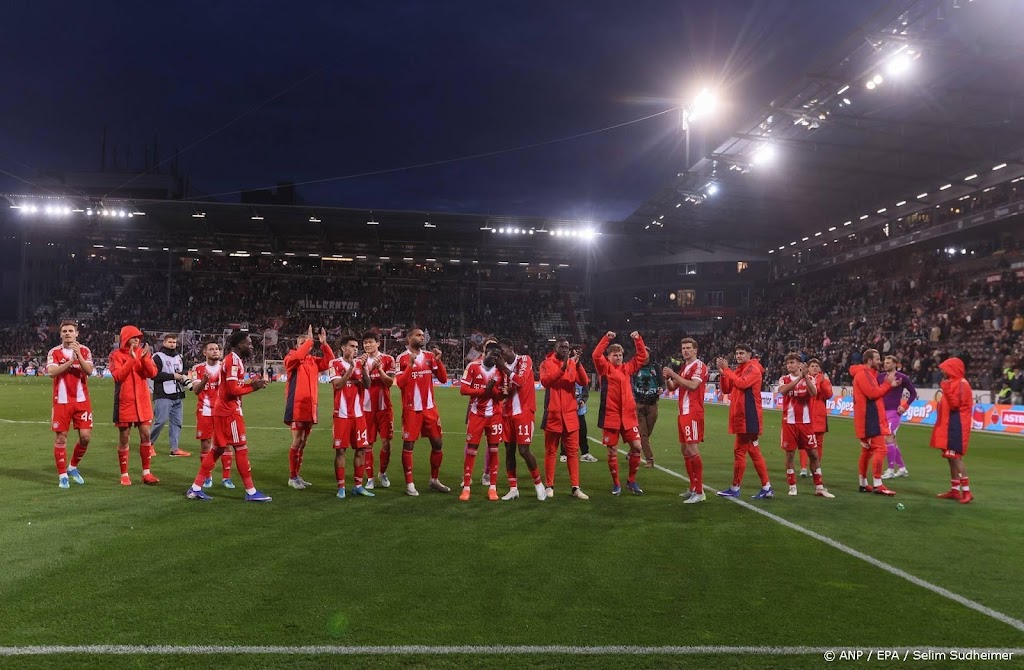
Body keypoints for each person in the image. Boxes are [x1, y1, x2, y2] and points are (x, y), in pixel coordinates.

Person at [186, 330, 272, 502]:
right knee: (241, 448)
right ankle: (251, 491)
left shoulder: (234, 360)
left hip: (223, 410)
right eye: (248, 343)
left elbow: (231, 386)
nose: (251, 346)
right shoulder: (233, 360)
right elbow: (233, 390)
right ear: (240, 344)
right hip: (229, 412)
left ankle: (195, 488)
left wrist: (250, 384)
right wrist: (253, 387)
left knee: (217, 450)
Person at [394, 327, 451, 496]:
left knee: (437, 443)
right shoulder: (402, 358)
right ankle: (409, 484)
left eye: (422, 335)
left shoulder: (429, 356)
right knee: (409, 445)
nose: (421, 337)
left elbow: (443, 379)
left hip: (429, 409)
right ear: (409, 339)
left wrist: (439, 361)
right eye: (418, 335)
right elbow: (400, 383)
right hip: (412, 409)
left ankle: (434, 480)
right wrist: (410, 366)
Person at [591, 330, 648, 495]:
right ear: (609, 357)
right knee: (612, 451)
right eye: (615, 355)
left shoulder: (627, 368)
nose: (618, 357)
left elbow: (642, 356)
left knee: (637, 447)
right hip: (611, 417)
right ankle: (616, 484)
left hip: (629, 417)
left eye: (620, 355)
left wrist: (638, 339)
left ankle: (631, 481)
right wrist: (606, 338)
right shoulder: (605, 368)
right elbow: (596, 355)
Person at [715, 344, 773, 499]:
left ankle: (735, 487)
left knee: (739, 451)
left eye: (741, 353)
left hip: (748, 417)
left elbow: (741, 384)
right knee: (753, 451)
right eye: (737, 353)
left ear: (749, 355)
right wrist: (723, 374)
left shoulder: (753, 369)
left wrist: (727, 370)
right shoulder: (740, 369)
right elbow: (727, 389)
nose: (738, 356)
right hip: (743, 417)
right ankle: (766, 487)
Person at [283, 325, 334, 490]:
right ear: (297, 345)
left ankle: (297, 475)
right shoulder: (291, 358)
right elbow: (299, 355)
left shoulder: (313, 361)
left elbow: (330, 361)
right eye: (303, 343)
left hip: (311, 407)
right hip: (297, 406)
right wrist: (310, 341)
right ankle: (292, 477)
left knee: (303, 443)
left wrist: (324, 344)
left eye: (308, 343)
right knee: (297, 441)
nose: (307, 345)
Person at [496, 338, 546, 501]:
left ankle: (539, 484)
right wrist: (502, 391)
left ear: (511, 348)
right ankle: (513, 489)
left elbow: (521, 381)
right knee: (509, 451)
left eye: (503, 351)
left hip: (524, 411)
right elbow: (503, 392)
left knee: (524, 450)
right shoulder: (501, 369)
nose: (502, 355)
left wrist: (504, 368)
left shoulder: (524, 359)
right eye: (500, 353)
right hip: (507, 413)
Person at [777, 354, 835, 498]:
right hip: (789, 423)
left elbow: (813, 393)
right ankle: (792, 486)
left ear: (800, 364)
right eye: (788, 363)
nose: (789, 365)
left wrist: (805, 378)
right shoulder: (783, 379)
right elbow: (783, 391)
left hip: (806, 424)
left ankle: (819, 487)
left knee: (814, 455)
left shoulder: (810, 379)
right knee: (790, 455)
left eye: (792, 362)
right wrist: (798, 379)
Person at [540, 339, 590, 499]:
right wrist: (562, 369)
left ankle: (575, 487)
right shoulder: (546, 363)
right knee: (551, 452)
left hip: (570, 416)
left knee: (573, 453)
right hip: (553, 415)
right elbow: (546, 382)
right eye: (562, 347)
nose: (565, 349)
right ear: (555, 348)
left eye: (567, 347)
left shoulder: (573, 364)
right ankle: (549, 485)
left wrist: (579, 364)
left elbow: (584, 381)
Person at [46, 321, 94, 489]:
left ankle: (72, 467)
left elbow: (89, 371)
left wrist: (78, 356)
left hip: (82, 401)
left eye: (71, 331)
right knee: (61, 438)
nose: (67, 333)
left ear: (76, 333)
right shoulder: (54, 352)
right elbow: (51, 372)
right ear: (61, 334)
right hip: (62, 402)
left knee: (85, 437)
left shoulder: (85, 350)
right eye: (65, 331)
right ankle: (62, 476)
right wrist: (70, 362)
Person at [109, 325, 159, 486]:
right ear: (125, 339)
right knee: (124, 437)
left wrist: (144, 359)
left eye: (139, 337)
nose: (137, 340)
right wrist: (131, 359)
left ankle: (146, 473)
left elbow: (152, 373)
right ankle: (124, 474)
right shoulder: (115, 355)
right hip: (124, 402)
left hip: (142, 401)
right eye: (133, 337)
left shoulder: (143, 353)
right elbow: (118, 376)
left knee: (146, 434)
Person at [458, 341, 507, 501]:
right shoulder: (473, 366)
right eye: (493, 355)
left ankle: (492, 487)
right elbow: (463, 390)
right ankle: (466, 487)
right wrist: (484, 390)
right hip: (477, 414)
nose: (495, 358)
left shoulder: (501, 371)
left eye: (498, 356)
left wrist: (494, 391)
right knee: (471, 450)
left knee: (494, 450)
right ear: (485, 353)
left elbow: (501, 396)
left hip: (495, 415)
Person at [662, 337, 707, 503]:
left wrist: (673, 374)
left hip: (693, 412)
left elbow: (693, 386)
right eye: (683, 348)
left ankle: (700, 492)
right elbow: (672, 387)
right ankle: (693, 487)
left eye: (689, 348)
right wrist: (667, 378)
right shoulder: (684, 367)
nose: (686, 351)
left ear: (695, 350)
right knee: (685, 450)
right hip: (682, 413)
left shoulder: (699, 366)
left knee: (692, 449)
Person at [329, 335, 373, 499]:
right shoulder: (335, 363)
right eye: (352, 346)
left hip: (359, 415)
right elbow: (338, 385)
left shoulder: (361, 364)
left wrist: (365, 369)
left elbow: (367, 385)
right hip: (341, 415)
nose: (355, 349)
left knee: (361, 449)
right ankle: (341, 487)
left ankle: (358, 486)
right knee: (341, 450)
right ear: (343, 348)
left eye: (356, 346)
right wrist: (351, 369)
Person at [850, 348, 898, 496]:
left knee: (867, 451)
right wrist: (887, 383)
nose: (880, 361)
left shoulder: (866, 373)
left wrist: (888, 385)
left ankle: (863, 483)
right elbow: (873, 394)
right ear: (870, 360)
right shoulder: (864, 374)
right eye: (877, 359)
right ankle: (878, 484)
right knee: (881, 450)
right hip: (869, 419)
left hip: (866, 419)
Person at [189, 341, 234, 489]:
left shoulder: (225, 367)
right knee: (206, 444)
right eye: (211, 349)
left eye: (217, 349)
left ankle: (226, 478)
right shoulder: (198, 369)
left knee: (226, 443)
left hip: (223, 410)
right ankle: (207, 477)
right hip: (205, 410)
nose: (215, 351)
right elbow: (196, 390)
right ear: (205, 353)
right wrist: (205, 380)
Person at [932, 357, 974, 504]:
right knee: (950, 457)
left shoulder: (962, 383)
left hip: (957, 426)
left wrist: (946, 389)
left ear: (953, 369)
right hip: (949, 425)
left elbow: (955, 404)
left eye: (945, 369)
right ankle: (955, 490)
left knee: (956, 457)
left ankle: (967, 492)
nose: (943, 371)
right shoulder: (952, 382)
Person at [361, 332, 396, 489]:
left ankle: (382, 473)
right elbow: (362, 384)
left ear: (378, 343)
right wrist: (367, 369)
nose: (367, 345)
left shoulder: (388, 359)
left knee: (386, 443)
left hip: (384, 409)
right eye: (365, 343)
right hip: (366, 409)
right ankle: (370, 478)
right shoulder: (360, 361)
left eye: (370, 342)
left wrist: (379, 370)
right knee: (367, 444)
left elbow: (389, 382)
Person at [150, 333, 190, 457]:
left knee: (177, 423)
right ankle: (148, 444)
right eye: (170, 342)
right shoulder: (157, 357)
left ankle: (175, 448)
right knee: (160, 421)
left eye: (174, 342)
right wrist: (173, 376)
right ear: (164, 343)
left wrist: (184, 376)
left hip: (178, 394)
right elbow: (154, 375)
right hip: (163, 394)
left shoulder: (180, 357)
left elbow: (185, 370)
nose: (173, 344)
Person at [879, 355, 917, 480]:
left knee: (887, 438)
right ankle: (902, 468)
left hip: (894, 413)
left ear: (895, 364)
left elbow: (913, 393)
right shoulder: (880, 377)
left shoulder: (902, 377)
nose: (886, 364)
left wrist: (905, 406)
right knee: (892, 441)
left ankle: (890, 470)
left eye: (888, 363)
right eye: (885, 362)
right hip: (882, 413)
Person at [800, 358, 832, 476]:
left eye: (817, 366)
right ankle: (804, 467)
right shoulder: (803, 379)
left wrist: (822, 382)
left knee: (818, 444)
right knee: (804, 443)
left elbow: (828, 395)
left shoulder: (824, 380)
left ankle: (815, 468)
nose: (815, 368)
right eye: (812, 366)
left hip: (819, 417)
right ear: (808, 368)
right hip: (806, 415)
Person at [631, 359, 664, 468]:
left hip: (652, 404)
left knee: (646, 432)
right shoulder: (635, 366)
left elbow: (662, 383)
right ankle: (649, 459)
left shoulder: (655, 366)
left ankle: (632, 450)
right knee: (643, 434)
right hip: (639, 404)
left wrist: (661, 389)